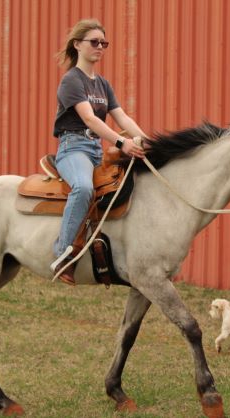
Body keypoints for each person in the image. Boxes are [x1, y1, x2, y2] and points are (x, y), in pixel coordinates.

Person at [52, 18, 146, 285]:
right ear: (77, 45)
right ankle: (62, 254)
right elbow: (91, 120)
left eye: (104, 43)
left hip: (95, 149)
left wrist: (143, 139)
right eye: (94, 42)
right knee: (83, 188)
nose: (100, 47)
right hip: (73, 148)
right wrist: (122, 143)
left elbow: (122, 117)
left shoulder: (103, 84)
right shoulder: (71, 80)